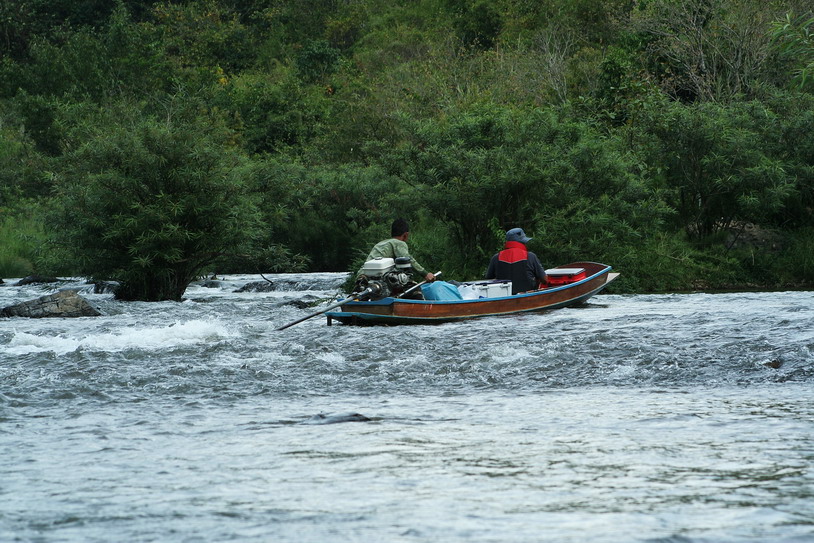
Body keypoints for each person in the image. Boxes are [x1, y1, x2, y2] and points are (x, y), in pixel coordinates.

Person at [358, 218, 436, 283]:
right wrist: (425, 274)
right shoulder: (399, 243)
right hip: (377, 277)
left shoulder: (381, 243)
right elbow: (408, 259)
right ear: (406, 235)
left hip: (362, 275)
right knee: (414, 290)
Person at [485, 227, 547, 294]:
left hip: (504, 297)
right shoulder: (530, 256)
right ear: (522, 243)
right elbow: (544, 279)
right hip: (528, 296)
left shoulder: (496, 257)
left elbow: (489, 280)